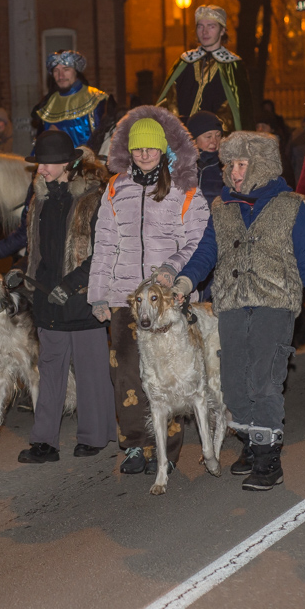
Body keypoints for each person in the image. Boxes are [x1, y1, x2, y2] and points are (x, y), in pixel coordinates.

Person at [171, 131, 305, 490]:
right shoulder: (222, 206)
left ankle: (268, 460)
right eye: (231, 164)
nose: (235, 172)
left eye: (242, 164)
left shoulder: (291, 205)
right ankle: (251, 441)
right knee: (232, 384)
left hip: (275, 302)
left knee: (264, 379)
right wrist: (184, 282)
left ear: (261, 164)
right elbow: (205, 253)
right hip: (231, 302)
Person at [87, 107, 209, 475]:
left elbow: (199, 242)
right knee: (124, 372)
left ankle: (167, 452)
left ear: (163, 150)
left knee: (168, 376)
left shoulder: (185, 190)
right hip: (127, 297)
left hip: (167, 301)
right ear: (128, 152)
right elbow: (104, 244)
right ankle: (135, 446)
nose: (143, 155)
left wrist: (172, 270)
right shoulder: (114, 188)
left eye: (150, 149)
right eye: (137, 149)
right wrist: (98, 295)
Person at [14, 130, 115, 464]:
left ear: (68, 164)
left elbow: (104, 252)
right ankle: (44, 442)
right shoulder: (39, 200)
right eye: (39, 163)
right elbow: (36, 251)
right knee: (50, 373)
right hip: (46, 301)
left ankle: (94, 435)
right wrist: (22, 277)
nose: (40, 169)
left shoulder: (93, 199)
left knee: (92, 372)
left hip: (83, 298)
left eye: (47, 163)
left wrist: (71, 284)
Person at [156, 4, 244, 129]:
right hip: (183, 139)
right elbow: (168, 101)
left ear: (222, 30)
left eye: (211, 26)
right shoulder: (184, 62)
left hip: (215, 139)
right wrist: (177, 129)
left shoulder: (232, 65)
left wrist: (209, 130)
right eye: (200, 26)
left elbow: (234, 109)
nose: (205, 32)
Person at [32, 49, 116, 152]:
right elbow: (38, 148)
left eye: (66, 69)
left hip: (87, 165)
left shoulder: (97, 100)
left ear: (76, 72)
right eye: (56, 71)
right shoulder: (47, 105)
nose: (60, 76)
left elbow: (106, 141)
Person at [188, 110, 225, 203]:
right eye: (208, 137)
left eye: (218, 136)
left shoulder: (225, 167)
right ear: (194, 139)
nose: (214, 141)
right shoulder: (182, 165)